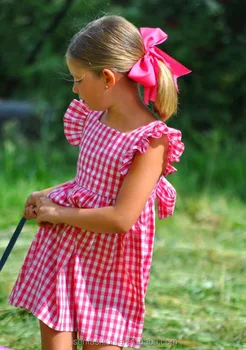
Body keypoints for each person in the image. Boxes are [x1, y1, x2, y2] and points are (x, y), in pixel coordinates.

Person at [8, 15, 191, 350]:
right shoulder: (94, 117)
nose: (74, 89)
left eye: (78, 79)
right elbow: (90, 184)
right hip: (64, 255)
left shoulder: (149, 141)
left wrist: (56, 213)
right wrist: (46, 195)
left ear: (107, 78)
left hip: (110, 271)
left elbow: (122, 218)